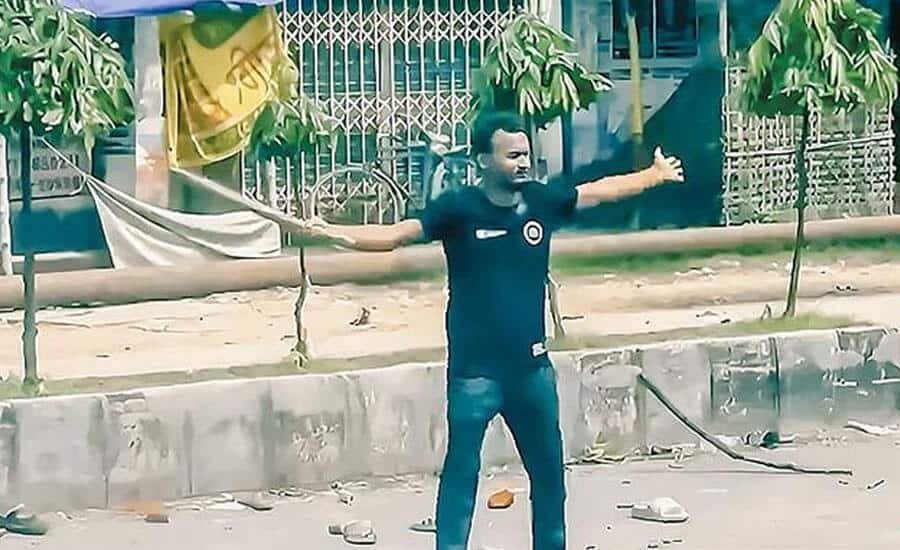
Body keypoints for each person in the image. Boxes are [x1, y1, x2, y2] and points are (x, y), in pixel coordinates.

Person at [304, 111, 684, 550]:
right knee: (462, 474)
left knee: (549, 477)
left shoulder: (540, 201)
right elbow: (397, 234)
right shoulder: (458, 209)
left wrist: (654, 176)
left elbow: (598, 191)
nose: (523, 163)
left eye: (525, 154)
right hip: (475, 375)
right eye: (512, 156)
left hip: (532, 372)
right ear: (483, 159)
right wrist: (336, 234)